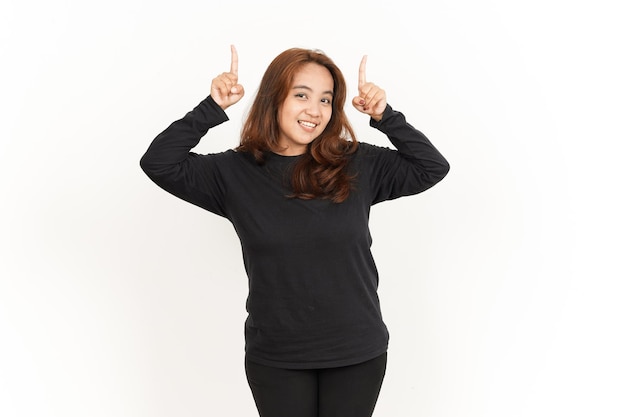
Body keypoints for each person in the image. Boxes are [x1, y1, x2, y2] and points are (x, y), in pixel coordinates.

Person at [140, 45, 449, 417]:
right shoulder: (232, 173)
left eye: (326, 100)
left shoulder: (356, 162)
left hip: (355, 352)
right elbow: (158, 162)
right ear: (275, 98)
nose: (314, 110)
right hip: (277, 356)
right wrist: (211, 107)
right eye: (301, 95)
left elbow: (431, 167)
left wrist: (385, 116)